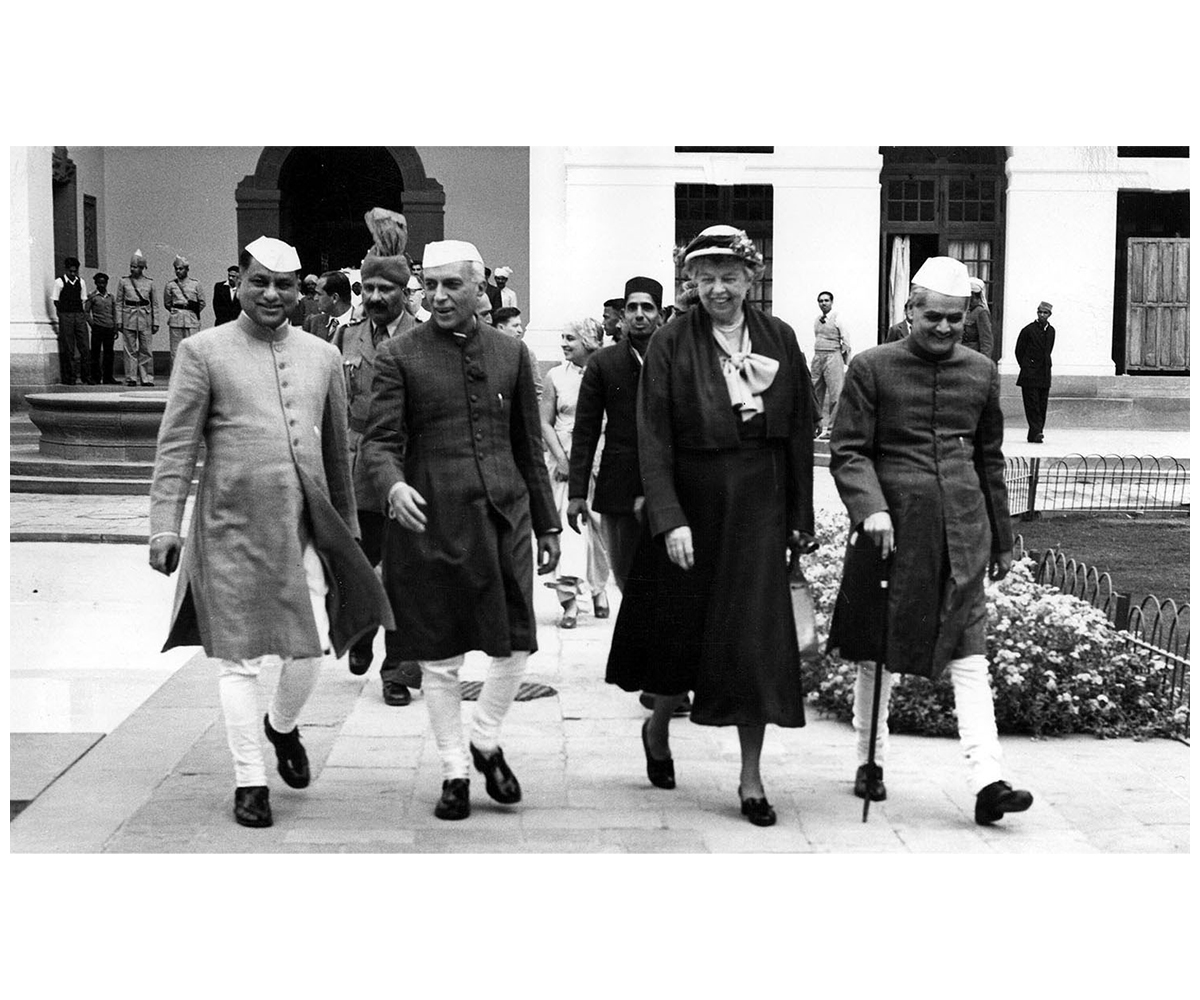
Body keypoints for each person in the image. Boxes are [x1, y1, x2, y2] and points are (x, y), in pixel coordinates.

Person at [148, 235, 393, 829]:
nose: (271, 293)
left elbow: (337, 451)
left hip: (303, 526)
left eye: (284, 283)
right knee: (237, 660)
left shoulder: (322, 356)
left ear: (298, 289)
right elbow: (177, 444)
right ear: (240, 284)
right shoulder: (202, 351)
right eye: (259, 281)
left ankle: (281, 726)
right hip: (227, 524)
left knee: (309, 647)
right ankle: (249, 778)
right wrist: (164, 525)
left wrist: (348, 529)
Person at [605, 225, 816, 828]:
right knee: (681, 638)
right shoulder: (673, 341)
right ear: (690, 282)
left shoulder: (781, 337)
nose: (718, 288)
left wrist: (798, 518)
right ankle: (658, 724)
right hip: (693, 503)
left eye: (730, 276)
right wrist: (669, 518)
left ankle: (751, 778)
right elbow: (653, 436)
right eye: (706, 277)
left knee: (754, 645)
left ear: (752, 278)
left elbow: (799, 431)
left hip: (760, 507)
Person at [828, 255, 1033, 827]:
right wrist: (869, 508)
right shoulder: (871, 367)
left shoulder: (981, 371)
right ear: (909, 310)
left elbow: (988, 457)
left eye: (955, 319)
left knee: (971, 655)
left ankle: (988, 779)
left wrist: (1002, 539)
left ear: (968, 317)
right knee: (879, 651)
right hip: (890, 532)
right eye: (933, 317)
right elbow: (848, 452)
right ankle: (871, 759)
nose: (944, 328)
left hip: (963, 532)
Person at [361, 239, 560, 822]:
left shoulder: (511, 354)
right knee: (441, 656)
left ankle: (486, 736)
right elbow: (378, 441)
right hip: (433, 522)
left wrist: (547, 522)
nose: (440, 296)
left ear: (479, 289)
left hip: (505, 518)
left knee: (518, 639)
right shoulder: (399, 355)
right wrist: (392, 485)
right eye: (432, 285)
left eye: (453, 285)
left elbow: (528, 445)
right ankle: (453, 768)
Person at [569, 276, 691, 718]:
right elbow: (585, 430)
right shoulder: (604, 364)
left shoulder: (676, 357)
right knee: (628, 581)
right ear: (622, 315)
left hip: (672, 493)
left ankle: (667, 680)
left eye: (648, 308)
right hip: (620, 489)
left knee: (673, 583)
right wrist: (577, 492)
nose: (640, 315)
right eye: (632, 308)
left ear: (660, 313)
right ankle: (652, 666)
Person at [335, 216, 422, 706]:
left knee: (407, 574)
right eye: (367, 286)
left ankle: (400, 671)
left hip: (407, 471)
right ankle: (364, 628)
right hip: (357, 470)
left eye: (384, 287)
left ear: (403, 289)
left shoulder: (424, 337)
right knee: (360, 565)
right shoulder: (346, 337)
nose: (374, 295)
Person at [541, 318, 611, 628]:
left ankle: (598, 590)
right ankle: (569, 601)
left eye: (570, 338)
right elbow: (544, 422)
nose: (564, 344)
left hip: (602, 459)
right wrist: (562, 460)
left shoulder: (607, 373)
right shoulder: (555, 375)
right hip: (564, 460)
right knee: (568, 530)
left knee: (600, 530)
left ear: (588, 341)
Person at [811, 290, 850, 439]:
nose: (823, 303)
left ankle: (833, 429)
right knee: (815, 392)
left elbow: (846, 342)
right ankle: (815, 426)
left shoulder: (838, 318)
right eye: (820, 301)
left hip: (833, 356)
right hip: (818, 357)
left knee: (836, 394)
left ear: (831, 302)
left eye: (826, 300)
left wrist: (843, 362)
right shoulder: (817, 319)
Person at [115, 250, 158, 386]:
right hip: (129, 317)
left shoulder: (150, 283)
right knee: (129, 350)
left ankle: (147, 378)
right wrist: (119, 321)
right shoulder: (124, 282)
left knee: (146, 349)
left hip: (145, 317)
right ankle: (131, 377)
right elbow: (119, 302)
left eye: (136, 267)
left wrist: (156, 321)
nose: (133, 269)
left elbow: (155, 304)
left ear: (142, 268)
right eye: (131, 266)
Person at [1015, 301, 1056, 444]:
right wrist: (1026, 366)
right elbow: (1019, 351)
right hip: (1030, 373)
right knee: (1032, 403)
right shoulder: (1028, 330)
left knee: (1042, 403)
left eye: (1045, 313)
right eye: (1040, 312)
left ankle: (1035, 433)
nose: (1042, 315)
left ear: (1050, 315)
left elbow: (1048, 350)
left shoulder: (1051, 331)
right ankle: (1037, 431)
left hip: (1044, 372)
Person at [52, 256, 91, 385]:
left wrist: (80, 315)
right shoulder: (59, 282)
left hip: (79, 315)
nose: (73, 274)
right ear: (66, 270)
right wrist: (64, 314)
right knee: (69, 347)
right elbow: (56, 300)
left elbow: (83, 299)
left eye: (75, 271)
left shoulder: (81, 282)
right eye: (71, 271)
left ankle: (86, 376)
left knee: (84, 345)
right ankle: (70, 377)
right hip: (66, 315)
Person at [163, 254, 206, 370]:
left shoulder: (196, 284)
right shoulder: (170, 285)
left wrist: (190, 312)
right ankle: (176, 375)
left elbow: (202, 303)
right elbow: (167, 303)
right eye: (176, 269)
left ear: (187, 269)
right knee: (176, 350)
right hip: (176, 319)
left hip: (191, 320)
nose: (178, 271)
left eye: (181, 269)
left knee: (193, 349)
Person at [494, 305, 542, 399]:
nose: (520, 330)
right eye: (515, 326)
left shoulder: (526, 353)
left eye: (520, 325)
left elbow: (536, 390)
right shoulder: (487, 352)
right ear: (500, 327)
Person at [85, 272, 119, 384]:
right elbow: (86, 312)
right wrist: (92, 324)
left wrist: (115, 326)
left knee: (109, 354)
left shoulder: (111, 297)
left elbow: (114, 312)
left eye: (103, 282)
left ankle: (108, 377)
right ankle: (95, 377)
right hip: (98, 328)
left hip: (109, 328)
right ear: (95, 283)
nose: (102, 285)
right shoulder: (92, 296)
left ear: (107, 283)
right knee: (95, 353)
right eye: (99, 283)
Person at [304, 270, 354, 341]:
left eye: (319, 294)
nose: (315, 298)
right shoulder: (313, 323)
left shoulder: (364, 327)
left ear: (334, 298)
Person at [962, 277, 994, 358]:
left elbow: (986, 341)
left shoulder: (980, 312)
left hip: (973, 357)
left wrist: (984, 362)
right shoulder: (963, 311)